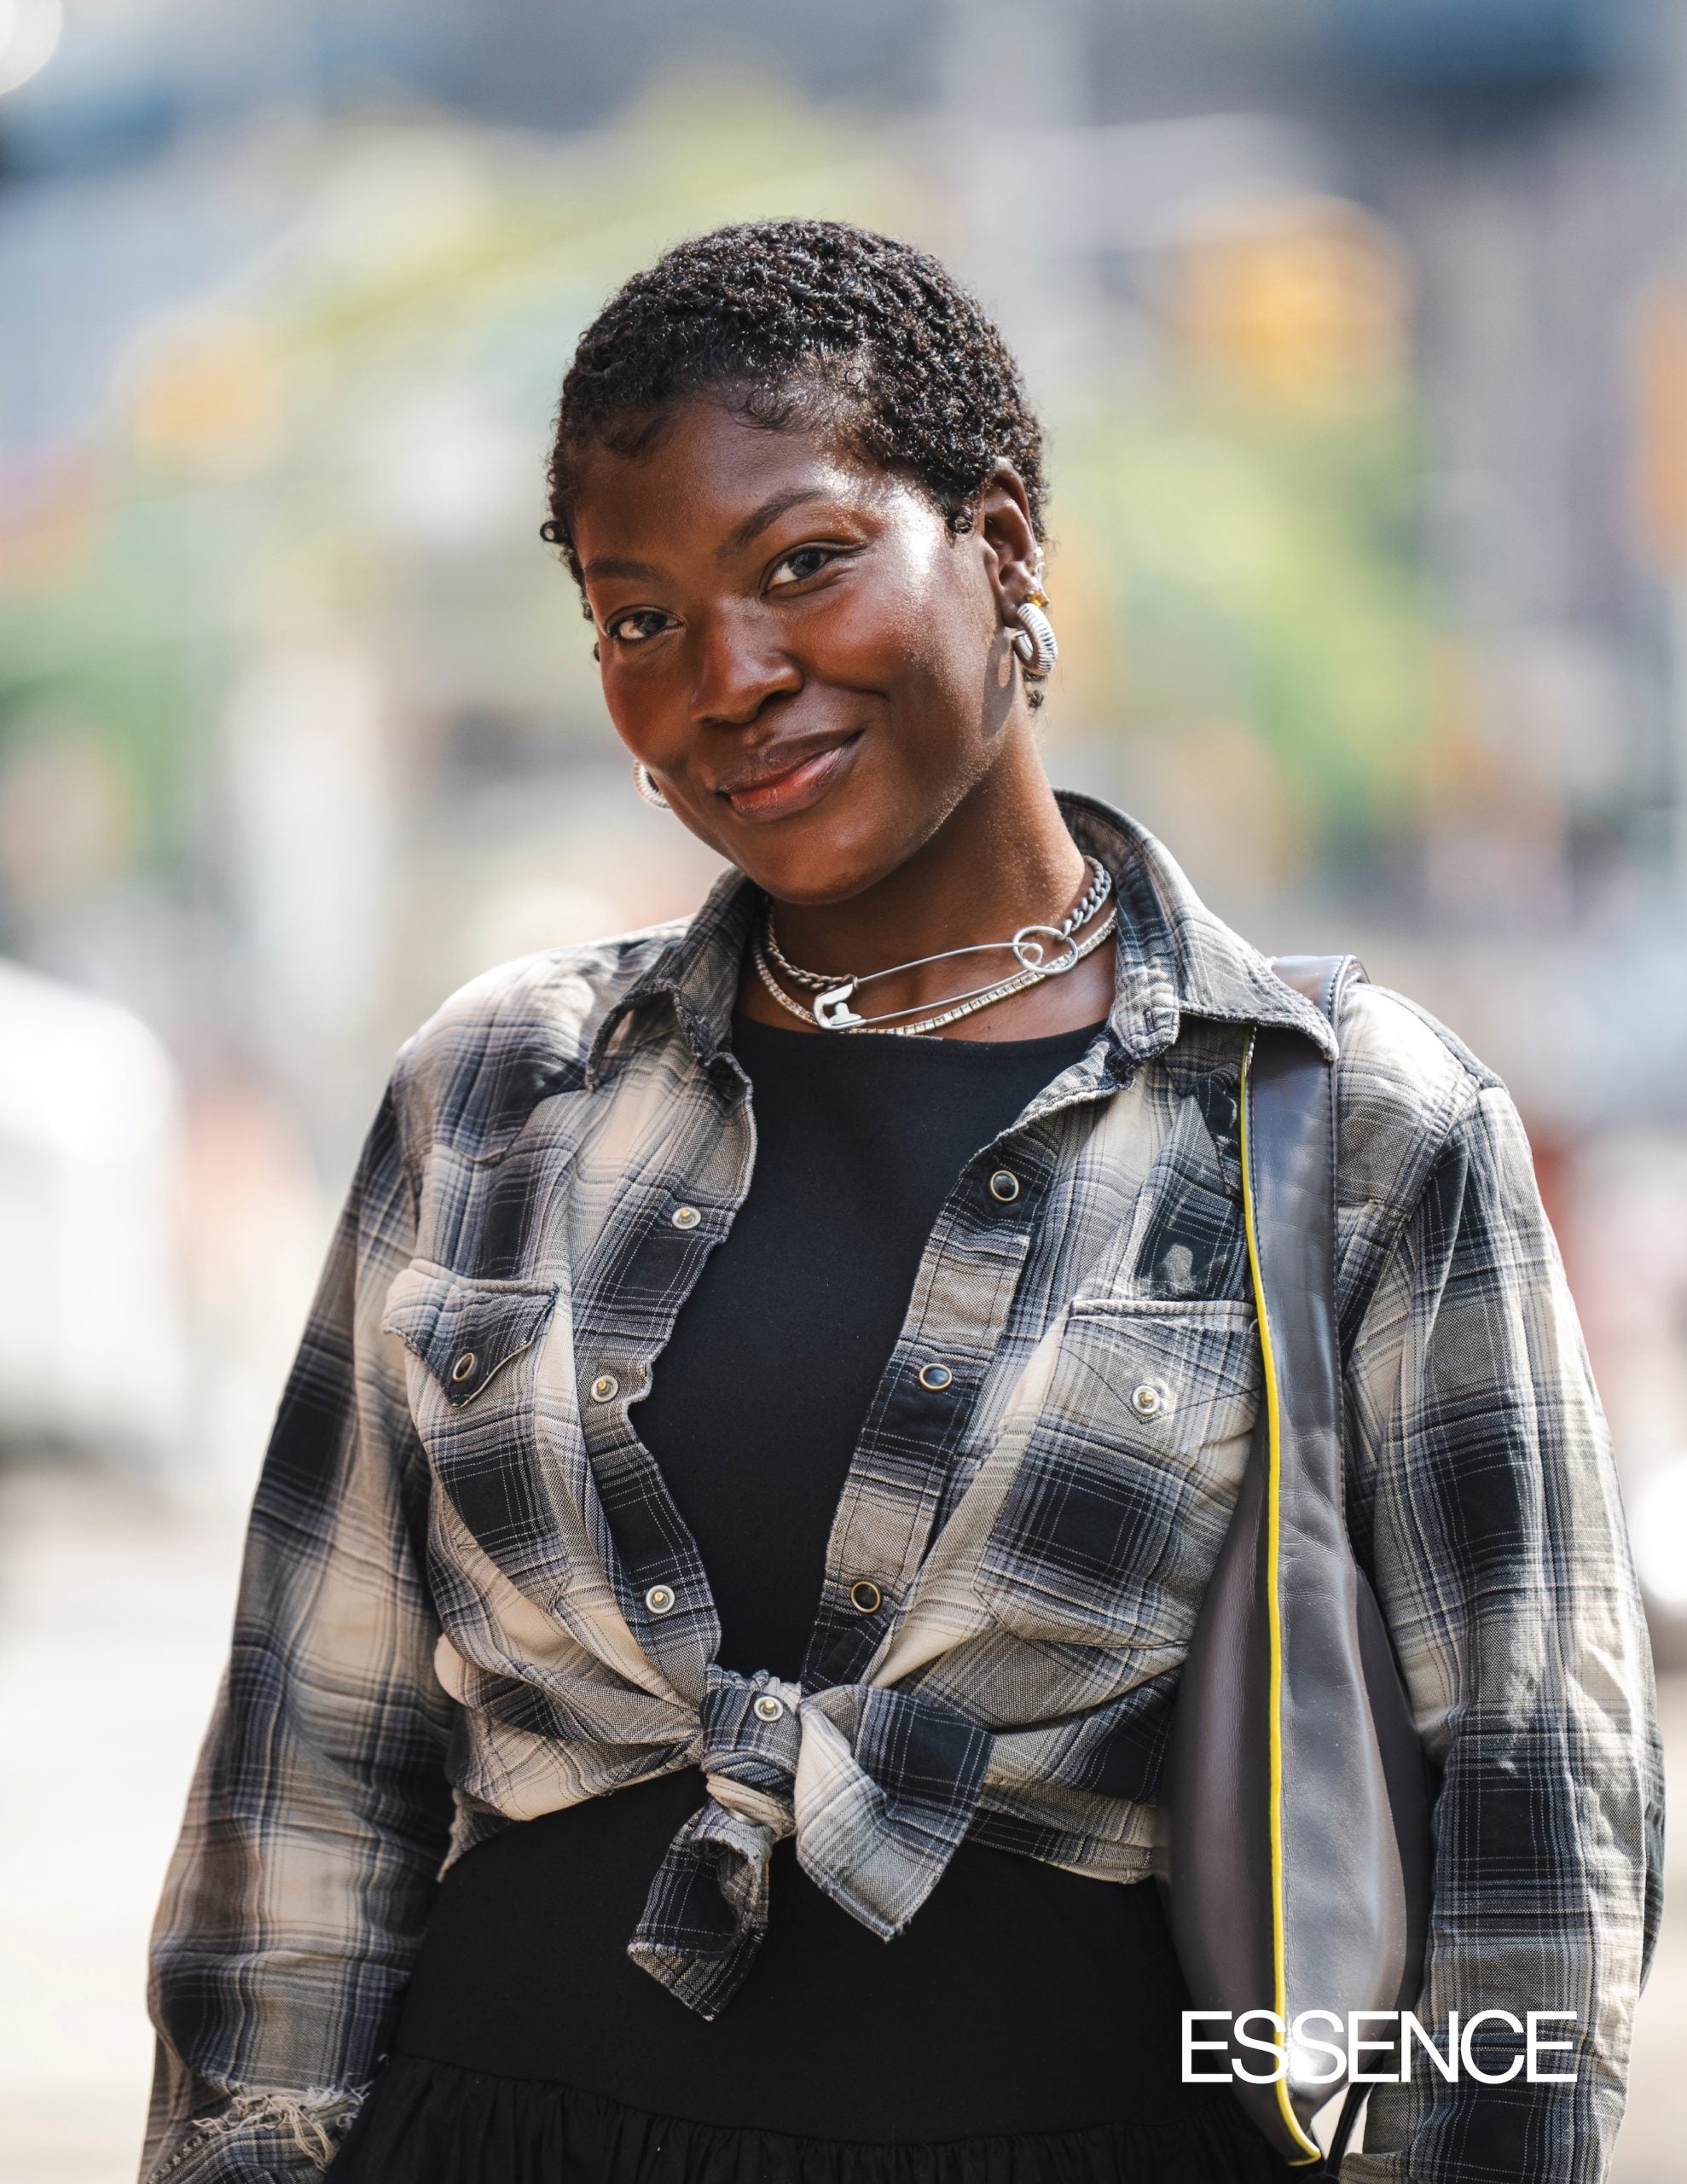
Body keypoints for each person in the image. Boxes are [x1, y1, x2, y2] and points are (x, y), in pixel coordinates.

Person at [142, 220, 1662, 2184]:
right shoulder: (498, 1086)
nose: (729, 678)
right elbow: (306, 1778)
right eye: (637, 617)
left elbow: (1531, 1825)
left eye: (802, 563)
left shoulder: (1343, 1118)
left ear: (1001, 544)